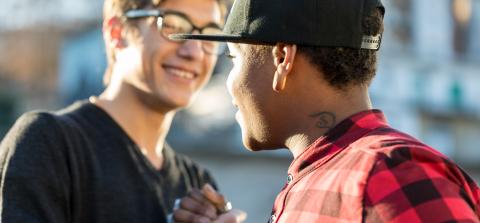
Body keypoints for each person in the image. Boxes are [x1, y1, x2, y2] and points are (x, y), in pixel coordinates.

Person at [170, 0, 480, 222]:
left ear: (281, 59)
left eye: (233, 58)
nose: (230, 83)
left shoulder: (386, 176)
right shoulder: (331, 173)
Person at [0, 0, 243, 222]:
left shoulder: (198, 187)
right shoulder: (49, 143)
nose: (194, 52)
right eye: (172, 24)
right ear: (117, 33)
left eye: (210, 35)